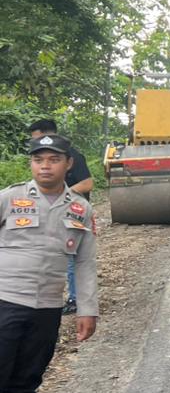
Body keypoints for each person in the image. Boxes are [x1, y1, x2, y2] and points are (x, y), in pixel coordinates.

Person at [0, 133, 98, 393]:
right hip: (6, 301)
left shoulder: (80, 208)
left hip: (47, 307)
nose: (45, 165)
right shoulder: (10, 198)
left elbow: (85, 263)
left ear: (68, 164)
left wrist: (88, 309)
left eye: (53, 159)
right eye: (39, 159)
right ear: (31, 163)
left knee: (26, 379)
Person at [27, 120, 92, 314]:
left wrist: (61, 195)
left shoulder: (73, 156)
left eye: (37, 138)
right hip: (51, 213)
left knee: (73, 257)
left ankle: (75, 298)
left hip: (72, 213)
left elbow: (88, 183)